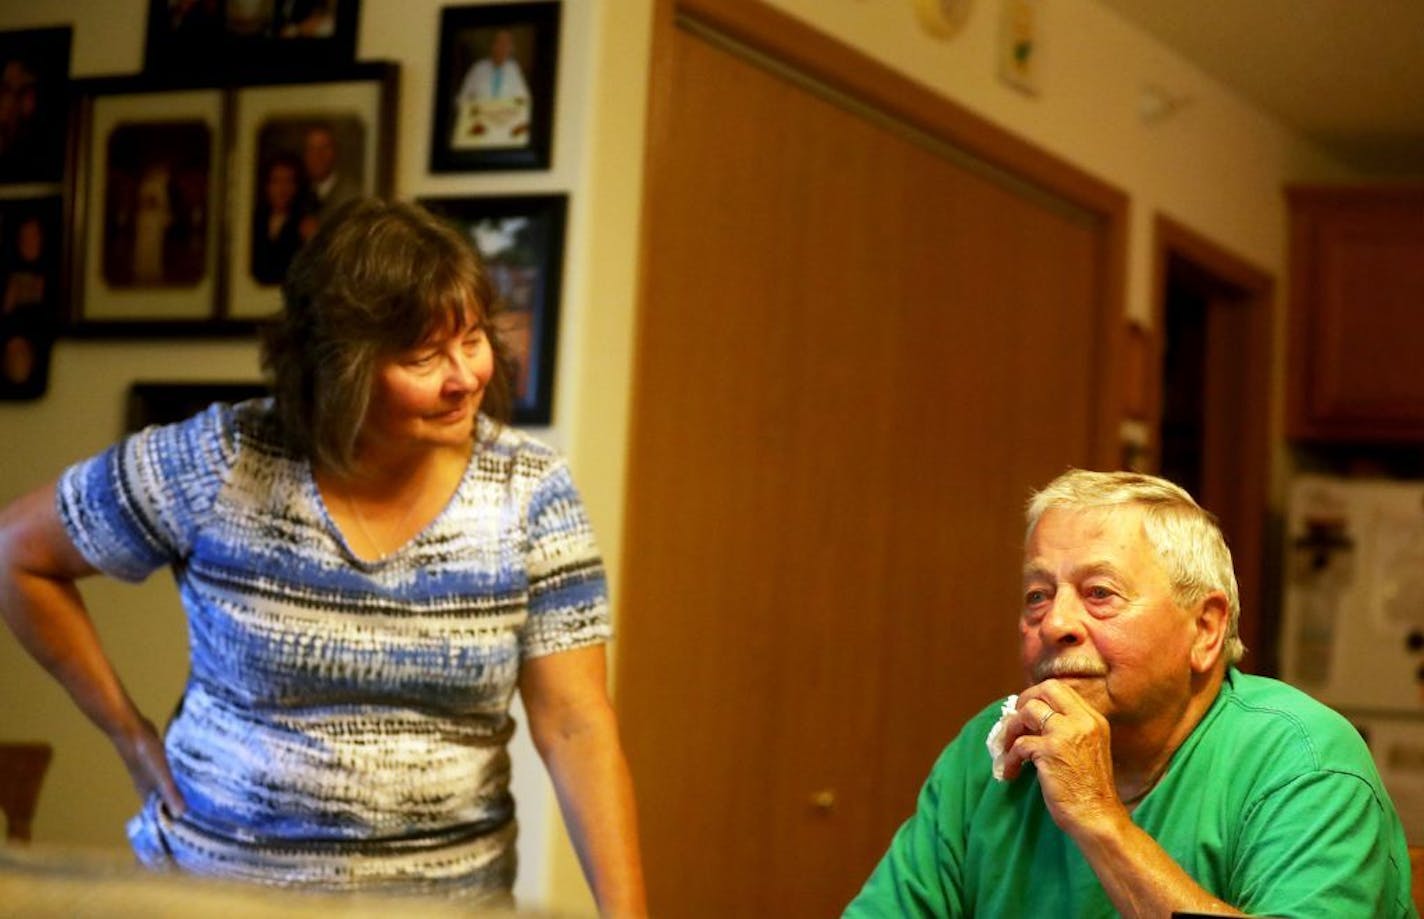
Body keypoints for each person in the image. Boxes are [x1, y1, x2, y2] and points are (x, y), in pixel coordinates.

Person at [0, 197, 647, 913]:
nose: (465, 375)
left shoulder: (529, 490)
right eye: (423, 356)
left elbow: (576, 724)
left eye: (471, 339)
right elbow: (18, 555)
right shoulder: (223, 459)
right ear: (339, 367)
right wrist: (130, 736)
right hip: (216, 898)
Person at [846, 469, 1416, 917]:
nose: (1054, 623)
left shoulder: (1304, 763)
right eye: (1037, 595)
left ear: (1206, 628)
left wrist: (1098, 818)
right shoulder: (990, 750)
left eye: (1099, 593)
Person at [452, 28, 531, 148]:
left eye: (506, 44)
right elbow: (461, 99)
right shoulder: (477, 68)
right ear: (492, 46)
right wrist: (471, 109)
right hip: (479, 130)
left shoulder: (514, 70)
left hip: (504, 131)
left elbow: (525, 101)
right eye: (499, 42)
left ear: (510, 49)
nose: (502, 47)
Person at [249, 152, 311, 285]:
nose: (282, 189)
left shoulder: (305, 223)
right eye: (276, 181)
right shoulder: (253, 221)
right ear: (267, 186)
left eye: (288, 181)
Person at [299, 124, 360, 220]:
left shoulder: (351, 196)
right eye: (311, 148)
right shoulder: (298, 192)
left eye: (324, 147)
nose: (317, 155)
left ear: (335, 152)